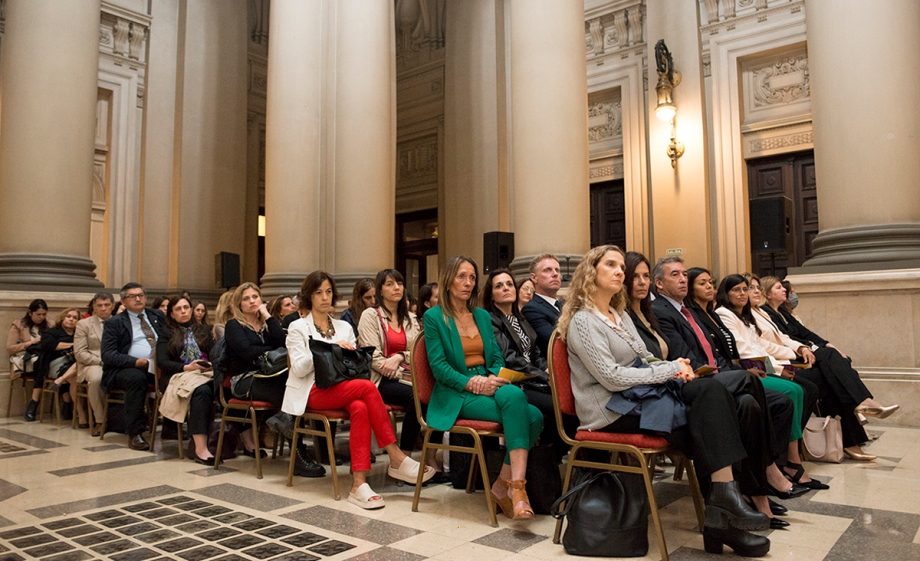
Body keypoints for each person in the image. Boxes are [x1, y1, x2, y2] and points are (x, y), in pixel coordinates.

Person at [561, 246, 770, 557]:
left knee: (711, 395)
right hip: (610, 410)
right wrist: (670, 370)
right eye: (611, 265)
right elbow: (611, 377)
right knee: (707, 421)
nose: (620, 271)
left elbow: (644, 358)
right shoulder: (583, 321)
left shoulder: (618, 314)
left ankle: (724, 504)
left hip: (640, 397)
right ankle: (723, 518)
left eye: (621, 266)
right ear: (591, 272)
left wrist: (677, 366)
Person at [649, 257, 806, 521]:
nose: (682, 279)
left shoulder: (687, 310)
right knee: (750, 383)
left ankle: (752, 493)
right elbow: (686, 356)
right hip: (698, 382)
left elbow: (716, 354)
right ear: (660, 284)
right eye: (675, 274)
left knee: (758, 404)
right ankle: (767, 472)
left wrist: (728, 373)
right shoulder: (662, 312)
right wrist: (730, 375)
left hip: (716, 376)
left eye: (684, 274)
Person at [284, 271, 434, 508]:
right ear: (308, 297)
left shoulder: (344, 326)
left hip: (344, 387)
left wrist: (341, 351)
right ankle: (395, 456)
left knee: (360, 407)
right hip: (313, 390)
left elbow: (353, 363)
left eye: (329, 292)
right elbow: (300, 368)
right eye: (318, 292)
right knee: (366, 387)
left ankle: (359, 484)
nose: (325, 297)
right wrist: (331, 348)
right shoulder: (297, 327)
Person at [424, 256, 543, 520]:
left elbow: (497, 358)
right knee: (526, 412)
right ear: (448, 280)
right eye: (461, 277)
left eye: (472, 278)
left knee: (533, 413)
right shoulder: (434, 317)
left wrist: (490, 379)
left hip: (489, 382)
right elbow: (439, 367)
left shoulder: (480, 315)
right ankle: (514, 489)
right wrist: (472, 382)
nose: (468, 283)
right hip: (456, 391)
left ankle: (506, 485)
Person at [757, 276, 892, 460]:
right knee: (831, 368)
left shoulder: (781, 312)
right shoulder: (764, 313)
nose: (785, 291)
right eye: (779, 287)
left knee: (834, 371)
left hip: (801, 354)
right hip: (789, 362)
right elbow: (785, 341)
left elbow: (806, 334)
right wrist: (814, 348)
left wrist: (827, 344)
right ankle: (860, 408)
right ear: (768, 294)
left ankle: (853, 433)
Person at [714, 274, 829, 489]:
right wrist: (778, 368)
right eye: (737, 290)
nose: (743, 293)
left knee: (806, 389)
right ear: (725, 293)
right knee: (793, 392)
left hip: (765, 366)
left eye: (745, 289)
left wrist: (789, 360)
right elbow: (745, 352)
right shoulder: (724, 313)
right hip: (752, 370)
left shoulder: (745, 316)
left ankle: (788, 459)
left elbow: (761, 345)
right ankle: (788, 461)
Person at [481, 268, 575, 461]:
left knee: (571, 402)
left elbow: (536, 354)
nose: (506, 288)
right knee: (558, 408)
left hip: (534, 378)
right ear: (492, 295)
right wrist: (544, 376)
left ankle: (550, 460)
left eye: (509, 284)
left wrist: (547, 369)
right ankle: (545, 463)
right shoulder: (491, 320)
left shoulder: (520, 318)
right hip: (514, 382)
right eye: (499, 286)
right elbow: (510, 358)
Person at [356, 269, 439, 472]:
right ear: (380, 291)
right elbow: (370, 354)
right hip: (380, 379)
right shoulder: (370, 316)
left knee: (440, 395)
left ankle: (430, 456)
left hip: (408, 375)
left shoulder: (410, 318)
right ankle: (404, 458)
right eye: (390, 284)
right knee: (416, 397)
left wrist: (399, 357)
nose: (397, 288)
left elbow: (419, 351)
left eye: (400, 283)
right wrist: (388, 365)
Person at [222, 282, 289, 459]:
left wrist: (267, 316)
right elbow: (246, 352)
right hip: (243, 379)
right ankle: (296, 447)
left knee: (292, 386)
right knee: (283, 390)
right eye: (246, 299)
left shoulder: (266, 324)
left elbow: (284, 343)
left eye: (255, 297)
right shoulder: (234, 325)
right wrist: (269, 350)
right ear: (239, 304)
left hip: (269, 375)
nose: (252, 301)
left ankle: (284, 425)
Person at [101, 283, 168, 450]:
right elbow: (108, 355)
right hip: (126, 369)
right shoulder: (114, 323)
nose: (138, 299)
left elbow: (170, 337)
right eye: (133, 296)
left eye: (141, 295)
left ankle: (172, 427)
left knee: (179, 376)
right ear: (123, 301)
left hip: (158, 365)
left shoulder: (157, 315)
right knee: (136, 379)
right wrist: (135, 361)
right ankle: (135, 433)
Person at [156, 296, 216, 465]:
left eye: (186, 307)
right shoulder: (165, 332)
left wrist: (210, 365)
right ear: (172, 314)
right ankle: (200, 447)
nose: (183, 311)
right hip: (179, 374)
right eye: (178, 309)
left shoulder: (204, 330)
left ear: (191, 310)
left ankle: (233, 441)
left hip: (205, 373)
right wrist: (187, 368)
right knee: (202, 391)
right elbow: (163, 361)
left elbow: (215, 355)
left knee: (218, 387)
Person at [74, 293, 115, 434]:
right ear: (94, 307)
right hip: (93, 363)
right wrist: (101, 361)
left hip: (116, 362)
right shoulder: (84, 324)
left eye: (107, 305)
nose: (103, 309)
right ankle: (100, 420)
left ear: (113, 306)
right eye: (99, 305)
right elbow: (79, 353)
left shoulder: (120, 322)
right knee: (97, 378)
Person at [8, 299, 54, 421]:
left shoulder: (50, 325)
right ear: (30, 313)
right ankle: (34, 402)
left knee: (54, 361)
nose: (41, 317)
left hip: (45, 356)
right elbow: (10, 348)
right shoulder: (19, 325)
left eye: (44, 314)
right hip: (25, 357)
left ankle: (63, 402)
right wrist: (31, 343)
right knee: (41, 361)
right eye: (38, 314)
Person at [36, 308, 82, 422]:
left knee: (80, 375)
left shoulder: (80, 334)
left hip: (75, 363)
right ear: (62, 318)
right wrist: (74, 345)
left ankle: (61, 381)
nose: (71, 319)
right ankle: (81, 415)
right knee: (74, 378)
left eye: (75, 318)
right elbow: (50, 345)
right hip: (55, 363)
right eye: (68, 316)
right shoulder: (51, 332)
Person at [521, 253, 563, 356]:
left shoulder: (565, 305)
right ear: (534, 277)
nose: (555, 274)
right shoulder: (531, 308)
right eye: (547, 270)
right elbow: (554, 342)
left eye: (557, 270)